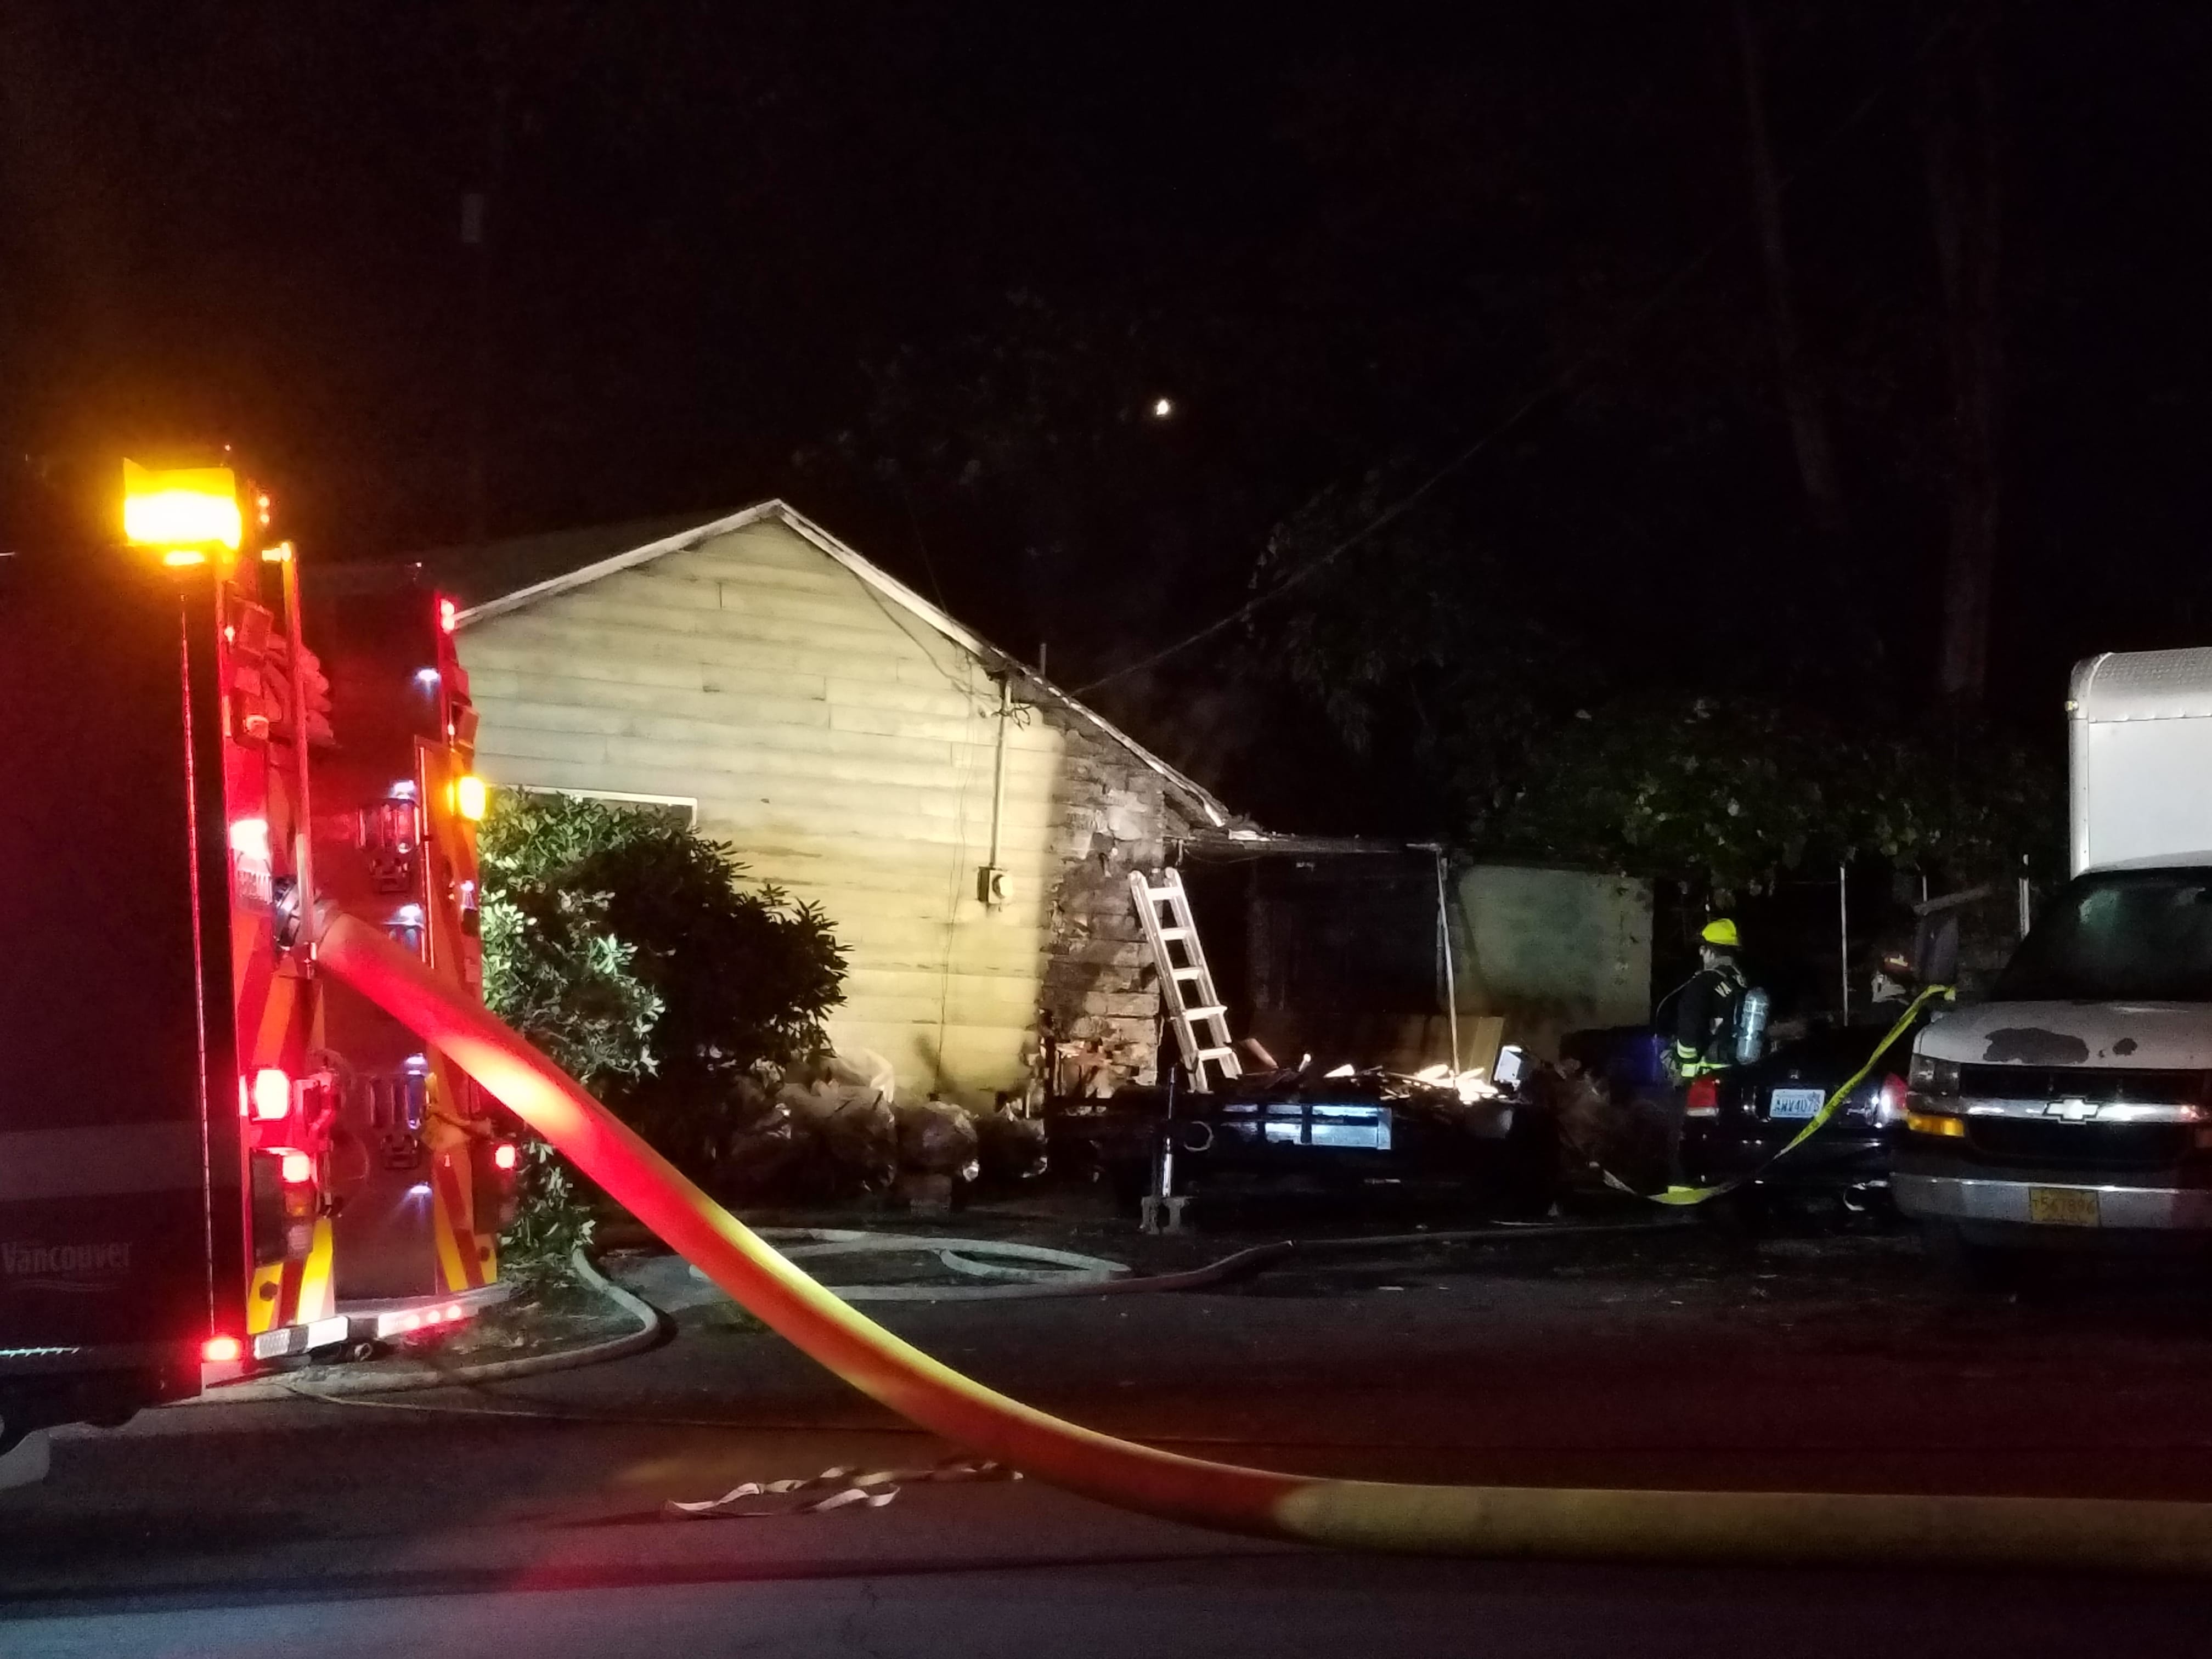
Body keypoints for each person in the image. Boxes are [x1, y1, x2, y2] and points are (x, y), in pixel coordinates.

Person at [1669, 918, 1749, 1080]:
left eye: (1703, 949)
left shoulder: (1703, 983)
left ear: (1710, 951)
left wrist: (1684, 1064)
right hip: (1736, 1070)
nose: (1700, 953)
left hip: (1703, 1076)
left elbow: (1689, 1025)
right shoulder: (1741, 982)